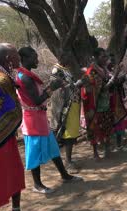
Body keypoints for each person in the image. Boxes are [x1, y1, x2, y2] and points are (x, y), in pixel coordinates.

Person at [0, 43, 39, 211]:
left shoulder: (6, 80)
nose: (19, 58)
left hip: (7, 138)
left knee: (15, 173)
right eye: (16, 55)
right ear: (8, 59)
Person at [16, 47, 82, 194]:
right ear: (25, 59)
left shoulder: (28, 75)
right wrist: (51, 88)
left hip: (39, 117)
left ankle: (65, 175)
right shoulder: (24, 77)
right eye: (34, 57)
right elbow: (36, 100)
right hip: (32, 120)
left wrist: (50, 88)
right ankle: (37, 184)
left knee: (53, 148)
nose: (37, 60)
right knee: (33, 152)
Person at [81, 48, 127, 160]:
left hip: (105, 103)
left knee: (107, 127)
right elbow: (102, 88)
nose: (105, 59)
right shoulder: (92, 71)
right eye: (103, 57)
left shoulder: (103, 69)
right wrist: (115, 75)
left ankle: (107, 150)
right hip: (95, 106)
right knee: (94, 127)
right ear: (95, 58)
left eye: (106, 56)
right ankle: (95, 153)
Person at [50, 52, 86, 174]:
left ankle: (67, 160)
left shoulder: (65, 69)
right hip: (66, 107)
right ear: (60, 57)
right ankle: (67, 161)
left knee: (71, 133)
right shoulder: (56, 71)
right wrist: (78, 84)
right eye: (67, 56)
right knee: (68, 134)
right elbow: (62, 88)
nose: (70, 59)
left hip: (73, 105)